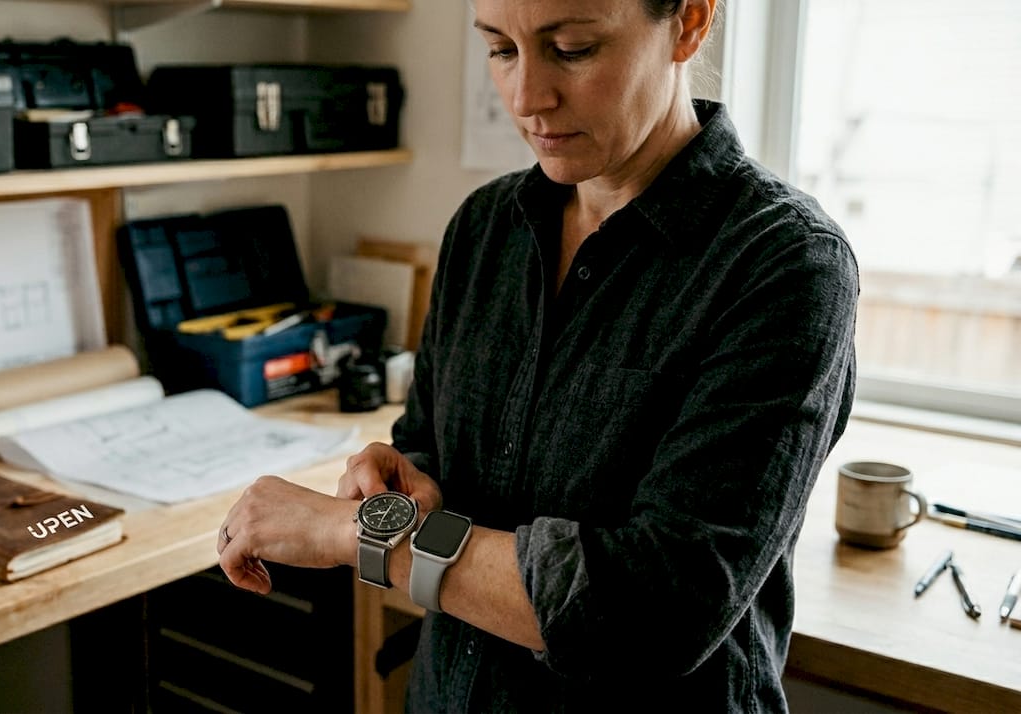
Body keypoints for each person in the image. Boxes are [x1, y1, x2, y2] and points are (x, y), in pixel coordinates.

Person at [216, 0, 858, 710]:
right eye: (501, 50)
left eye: (573, 49)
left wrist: (356, 535)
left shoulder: (785, 264)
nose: (527, 99)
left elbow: (659, 610)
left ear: (690, 23)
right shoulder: (484, 228)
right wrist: (399, 483)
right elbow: (428, 447)